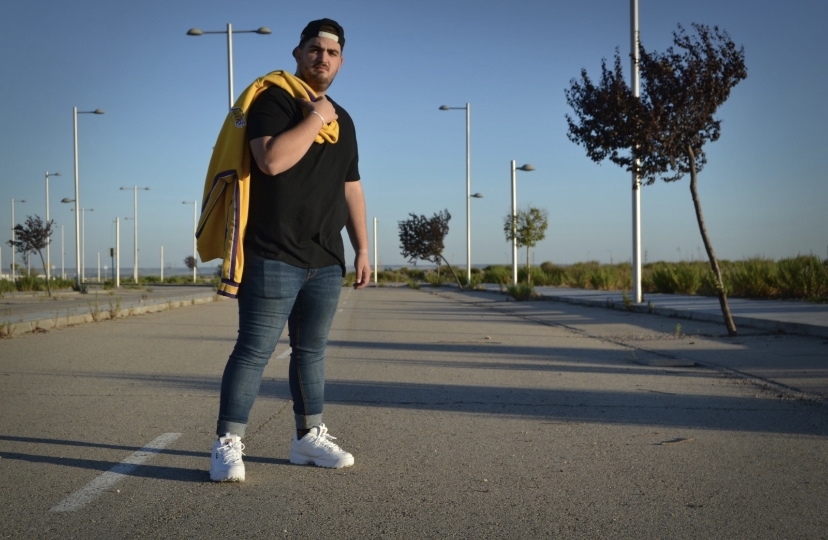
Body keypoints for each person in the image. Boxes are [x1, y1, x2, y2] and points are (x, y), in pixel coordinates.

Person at [209, 18, 370, 482]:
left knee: (311, 352)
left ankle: (307, 438)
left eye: (332, 53)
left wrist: (361, 247)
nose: (323, 57)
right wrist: (316, 117)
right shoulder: (274, 99)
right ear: (298, 53)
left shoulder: (344, 120)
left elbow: (351, 186)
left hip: (326, 258)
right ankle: (227, 444)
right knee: (254, 350)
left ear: (341, 62)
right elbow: (272, 160)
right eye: (315, 49)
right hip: (273, 251)